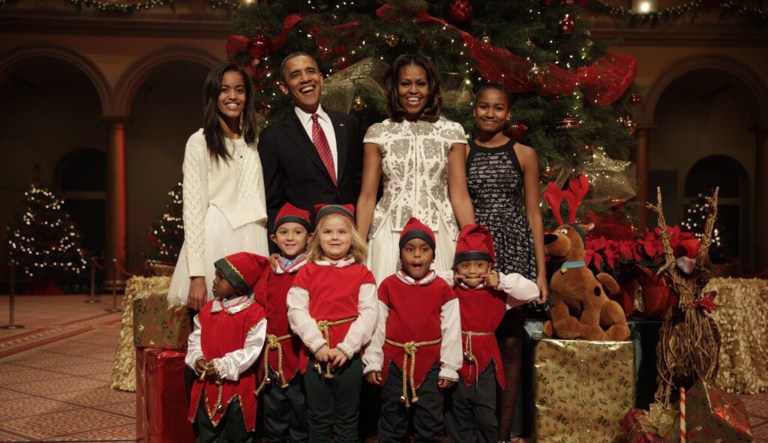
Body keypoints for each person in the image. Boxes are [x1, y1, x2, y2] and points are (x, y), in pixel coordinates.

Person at [466, 83, 549, 442]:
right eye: (484, 106)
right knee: (474, 338)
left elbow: (533, 214)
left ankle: (502, 434)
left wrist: (541, 273)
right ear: (474, 110)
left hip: (515, 252)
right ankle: (473, 431)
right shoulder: (462, 151)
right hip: (476, 253)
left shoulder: (524, 154)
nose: (490, 113)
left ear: (508, 114)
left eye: (497, 108)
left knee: (511, 342)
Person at [356, 53, 475, 285]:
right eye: (405, 83)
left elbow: (460, 195)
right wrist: (357, 247)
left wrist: (474, 244)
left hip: (440, 232)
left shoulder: (451, 132)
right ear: (395, 88)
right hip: (389, 233)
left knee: (441, 302)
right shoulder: (378, 132)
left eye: (420, 83)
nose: (413, 90)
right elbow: (368, 196)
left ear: (431, 88)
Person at [167, 62, 269, 310]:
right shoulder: (199, 142)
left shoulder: (255, 140)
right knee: (213, 321)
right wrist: (197, 275)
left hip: (255, 237)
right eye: (224, 89)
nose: (233, 96)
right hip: (218, 237)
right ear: (213, 95)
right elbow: (193, 211)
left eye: (239, 90)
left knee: (253, 319)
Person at [362, 217, 462, 442]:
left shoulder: (443, 289)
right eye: (410, 249)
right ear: (400, 255)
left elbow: (452, 330)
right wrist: (373, 361)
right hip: (394, 365)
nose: (417, 255)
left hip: (430, 365)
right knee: (392, 419)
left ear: (433, 255)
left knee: (430, 422)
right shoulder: (388, 286)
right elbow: (377, 327)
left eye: (424, 249)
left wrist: (450, 367)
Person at [286, 204, 377, 442]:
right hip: (315, 356)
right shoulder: (306, 272)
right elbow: (296, 310)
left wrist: (347, 348)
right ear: (317, 238)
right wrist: (317, 344)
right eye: (328, 232)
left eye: (342, 232)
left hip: (349, 356)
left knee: (348, 419)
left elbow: (369, 314)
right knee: (318, 418)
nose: (335, 237)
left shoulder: (362, 273)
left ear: (352, 238)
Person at [445, 224, 539, 443]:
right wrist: (451, 278)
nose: (472, 271)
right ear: (457, 268)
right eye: (465, 265)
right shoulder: (449, 290)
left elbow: (532, 291)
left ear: (490, 267)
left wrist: (501, 281)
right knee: (458, 413)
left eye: (479, 265)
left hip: (486, 362)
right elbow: (429, 280)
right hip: (455, 358)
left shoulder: (499, 295)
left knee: (486, 415)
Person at [259, 52, 363, 233]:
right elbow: (272, 203)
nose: (305, 79)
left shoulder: (348, 124)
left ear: (321, 78)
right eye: (295, 75)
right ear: (284, 88)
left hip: (349, 235)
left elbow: (361, 183)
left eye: (310, 71)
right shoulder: (274, 136)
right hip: (305, 241)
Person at [186, 252, 268, 442]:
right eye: (216, 276)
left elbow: (253, 349)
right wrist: (197, 359)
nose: (214, 281)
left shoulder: (254, 313)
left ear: (238, 284)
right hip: (207, 386)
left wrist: (223, 365)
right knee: (206, 434)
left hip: (238, 389)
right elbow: (195, 339)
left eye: (221, 278)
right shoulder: (207, 311)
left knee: (236, 436)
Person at [254, 202, 312, 443]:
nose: (290, 238)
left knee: (299, 404)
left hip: (298, 350)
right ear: (274, 238)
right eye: (284, 232)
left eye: (297, 232)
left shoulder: (311, 270)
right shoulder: (267, 271)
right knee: (273, 403)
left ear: (309, 238)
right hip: (272, 350)